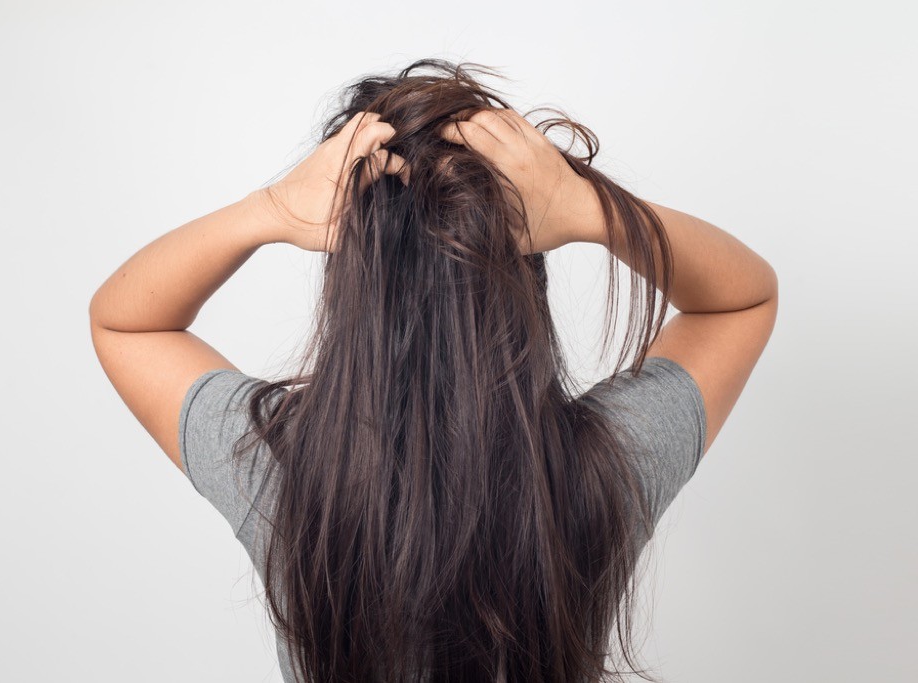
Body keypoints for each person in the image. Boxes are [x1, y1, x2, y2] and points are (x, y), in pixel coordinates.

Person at [89, 59, 778, 683]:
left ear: (354, 284)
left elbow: (125, 320)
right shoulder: (599, 471)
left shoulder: (283, 472)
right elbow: (740, 302)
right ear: (522, 273)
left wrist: (267, 211)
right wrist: (584, 209)